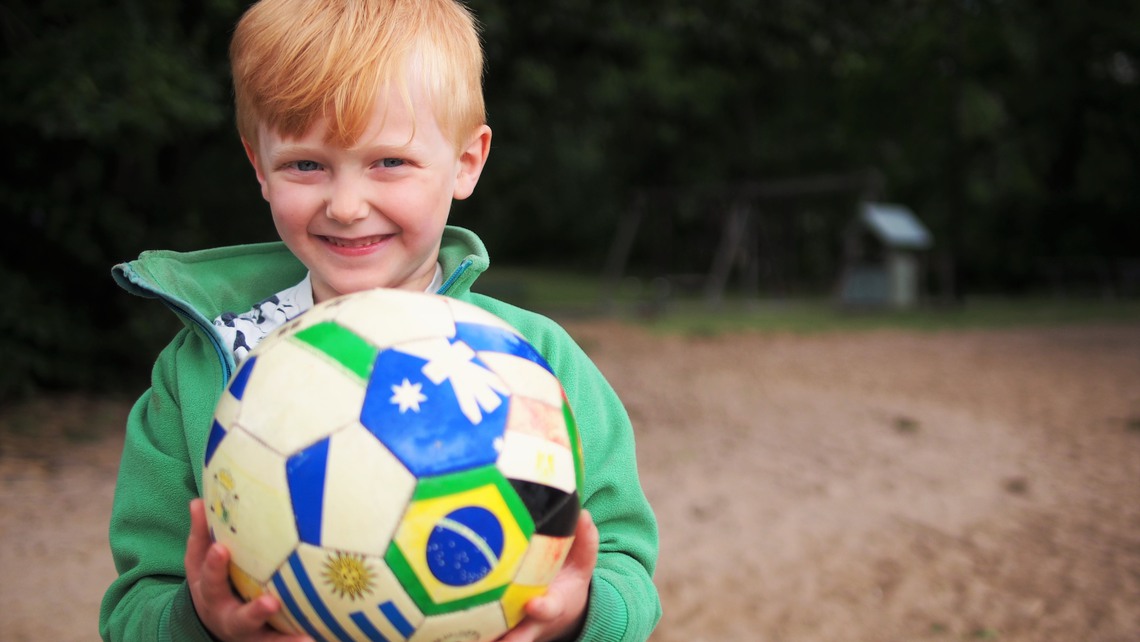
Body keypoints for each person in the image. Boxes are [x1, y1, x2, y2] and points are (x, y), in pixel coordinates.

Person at [99, 0, 660, 641]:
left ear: (467, 162)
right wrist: (200, 621)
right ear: (258, 164)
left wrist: (577, 617)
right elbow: (132, 612)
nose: (345, 205)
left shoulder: (533, 363)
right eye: (305, 165)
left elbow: (624, 567)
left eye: (389, 161)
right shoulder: (200, 371)